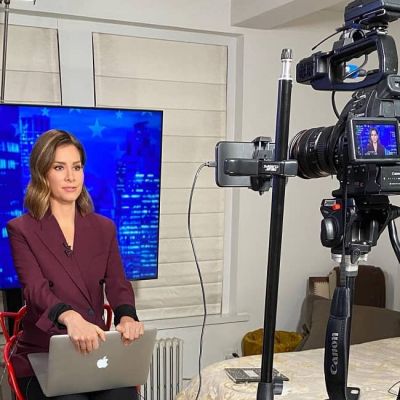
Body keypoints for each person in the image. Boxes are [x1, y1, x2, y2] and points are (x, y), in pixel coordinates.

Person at [6, 129, 144, 400]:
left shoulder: (104, 228)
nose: (71, 177)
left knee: (124, 396)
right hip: (43, 354)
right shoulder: (21, 229)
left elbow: (117, 283)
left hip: (94, 352)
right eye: (59, 167)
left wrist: (127, 316)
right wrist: (70, 318)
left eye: (77, 167)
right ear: (42, 173)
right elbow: (35, 290)